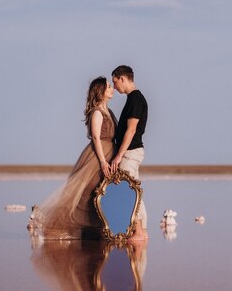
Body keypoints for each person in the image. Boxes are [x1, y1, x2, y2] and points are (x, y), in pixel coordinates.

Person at [31, 76, 117, 240]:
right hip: (99, 155)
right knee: (89, 189)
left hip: (109, 151)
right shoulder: (97, 112)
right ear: (100, 91)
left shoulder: (108, 111)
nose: (111, 88)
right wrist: (103, 161)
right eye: (108, 87)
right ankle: (74, 225)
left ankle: (99, 227)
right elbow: (96, 137)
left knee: (102, 190)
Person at [110, 65, 149, 241]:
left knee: (131, 191)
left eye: (115, 81)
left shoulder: (135, 99)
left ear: (123, 79)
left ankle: (139, 232)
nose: (114, 86)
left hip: (131, 152)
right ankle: (140, 230)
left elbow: (131, 130)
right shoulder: (133, 98)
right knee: (134, 190)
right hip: (131, 151)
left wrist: (119, 155)